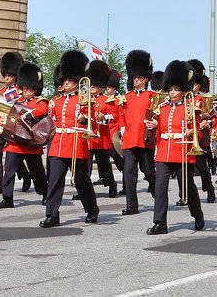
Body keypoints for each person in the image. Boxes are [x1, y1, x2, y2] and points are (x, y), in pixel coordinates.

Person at [145, 60, 205, 234]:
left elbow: (198, 132)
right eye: (170, 89)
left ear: (183, 90)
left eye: (176, 89)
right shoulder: (162, 108)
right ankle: (160, 223)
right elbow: (160, 130)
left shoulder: (191, 108)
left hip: (182, 150)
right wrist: (154, 126)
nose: (172, 93)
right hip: (164, 151)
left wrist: (191, 133)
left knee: (187, 187)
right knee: (160, 187)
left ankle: (197, 215)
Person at [42, 50, 99, 227]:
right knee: (54, 181)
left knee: (81, 182)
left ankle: (91, 208)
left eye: (70, 81)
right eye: (65, 80)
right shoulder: (56, 101)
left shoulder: (85, 100)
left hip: (76, 143)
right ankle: (52, 214)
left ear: (76, 81)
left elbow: (94, 124)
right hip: (58, 144)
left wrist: (85, 119)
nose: (66, 83)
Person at [0, 63, 49, 209]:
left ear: (35, 89)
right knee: (9, 171)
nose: (25, 92)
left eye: (28, 89)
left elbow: (43, 110)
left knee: (37, 173)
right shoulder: (18, 102)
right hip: (16, 143)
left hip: (31, 144)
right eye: (24, 89)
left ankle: (45, 194)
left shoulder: (40, 101)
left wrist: (28, 115)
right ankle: (7, 198)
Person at [117, 50, 157, 215]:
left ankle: (157, 193)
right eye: (134, 78)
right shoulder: (126, 97)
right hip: (129, 140)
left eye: (139, 78)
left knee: (148, 172)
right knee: (129, 174)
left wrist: (154, 125)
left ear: (145, 79)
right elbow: (121, 115)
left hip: (145, 140)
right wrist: (122, 130)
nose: (136, 80)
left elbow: (157, 115)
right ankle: (132, 206)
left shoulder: (152, 96)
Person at [0, 52, 29, 195]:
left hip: (12, 127)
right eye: (5, 75)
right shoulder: (0, 92)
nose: (7, 78)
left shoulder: (21, 91)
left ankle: (25, 175)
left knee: (14, 156)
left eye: (10, 75)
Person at [87, 60, 120, 198]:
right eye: (91, 85)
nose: (92, 87)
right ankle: (85, 190)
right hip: (87, 138)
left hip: (101, 138)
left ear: (100, 86)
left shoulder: (106, 99)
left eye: (95, 85)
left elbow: (113, 116)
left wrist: (103, 117)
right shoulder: (84, 98)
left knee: (104, 165)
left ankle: (112, 184)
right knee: (85, 167)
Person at [188, 60, 216, 204]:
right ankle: (185, 194)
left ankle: (209, 188)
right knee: (186, 169)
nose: (193, 87)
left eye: (195, 84)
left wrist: (207, 123)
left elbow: (212, 117)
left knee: (202, 168)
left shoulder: (203, 99)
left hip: (200, 138)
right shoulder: (183, 99)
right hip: (187, 137)